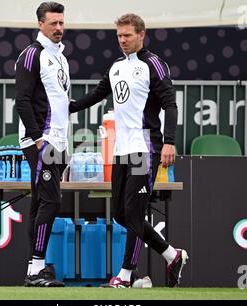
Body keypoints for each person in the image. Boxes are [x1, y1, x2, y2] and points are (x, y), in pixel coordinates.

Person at [69, 13, 188, 288]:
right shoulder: (116, 67)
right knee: (120, 214)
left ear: (141, 34)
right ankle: (172, 255)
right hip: (121, 149)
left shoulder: (153, 64)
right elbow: (98, 93)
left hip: (145, 146)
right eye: (119, 36)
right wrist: (70, 106)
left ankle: (123, 277)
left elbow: (171, 104)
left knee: (134, 214)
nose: (122, 40)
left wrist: (169, 141)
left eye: (128, 35)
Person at [14, 1, 70, 287]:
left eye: (61, 22)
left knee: (39, 203)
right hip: (41, 140)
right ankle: (36, 269)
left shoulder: (60, 57)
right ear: (40, 24)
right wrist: (38, 139)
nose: (59, 28)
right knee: (52, 200)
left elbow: (63, 105)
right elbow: (21, 100)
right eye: (53, 23)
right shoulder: (30, 55)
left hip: (59, 141)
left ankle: (34, 268)